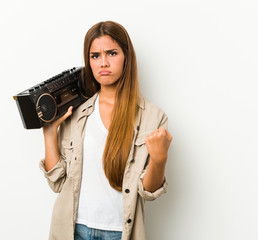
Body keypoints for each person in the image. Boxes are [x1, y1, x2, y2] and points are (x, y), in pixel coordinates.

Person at [39, 21, 173, 240]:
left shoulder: (153, 116)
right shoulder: (75, 113)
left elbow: (148, 192)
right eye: (95, 56)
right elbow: (58, 183)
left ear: (126, 57)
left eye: (112, 53)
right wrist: (49, 133)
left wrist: (159, 159)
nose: (103, 63)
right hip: (73, 229)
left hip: (120, 232)